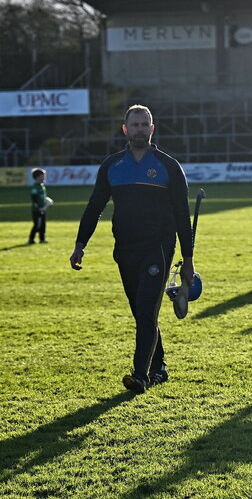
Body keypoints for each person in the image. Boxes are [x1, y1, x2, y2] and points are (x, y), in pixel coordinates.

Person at [69, 104, 194, 394]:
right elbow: (94, 207)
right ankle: (159, 367)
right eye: (134, 125)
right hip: (124, 249)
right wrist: (80, 244)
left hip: (158, 248)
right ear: (125, 129)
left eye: (144, 124)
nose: (139, 129)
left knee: (147, 308)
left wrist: (188, 259)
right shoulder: (112, 166)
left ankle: (140, 375)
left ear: (153, 128)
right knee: (142, 313)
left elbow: (182, 215)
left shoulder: (168, 166)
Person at [28, 168, 52, 244]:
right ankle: (31, 239)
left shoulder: (42, 186)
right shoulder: (35, 187)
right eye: (42, 176)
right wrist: (39, 208)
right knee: (37, 225)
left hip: (43, 209)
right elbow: (34, 199)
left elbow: (42, 197)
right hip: (37, 210)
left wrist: (47, 200)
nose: (44, 178)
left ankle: (42, 239)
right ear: (37, 177)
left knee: (43, 224)